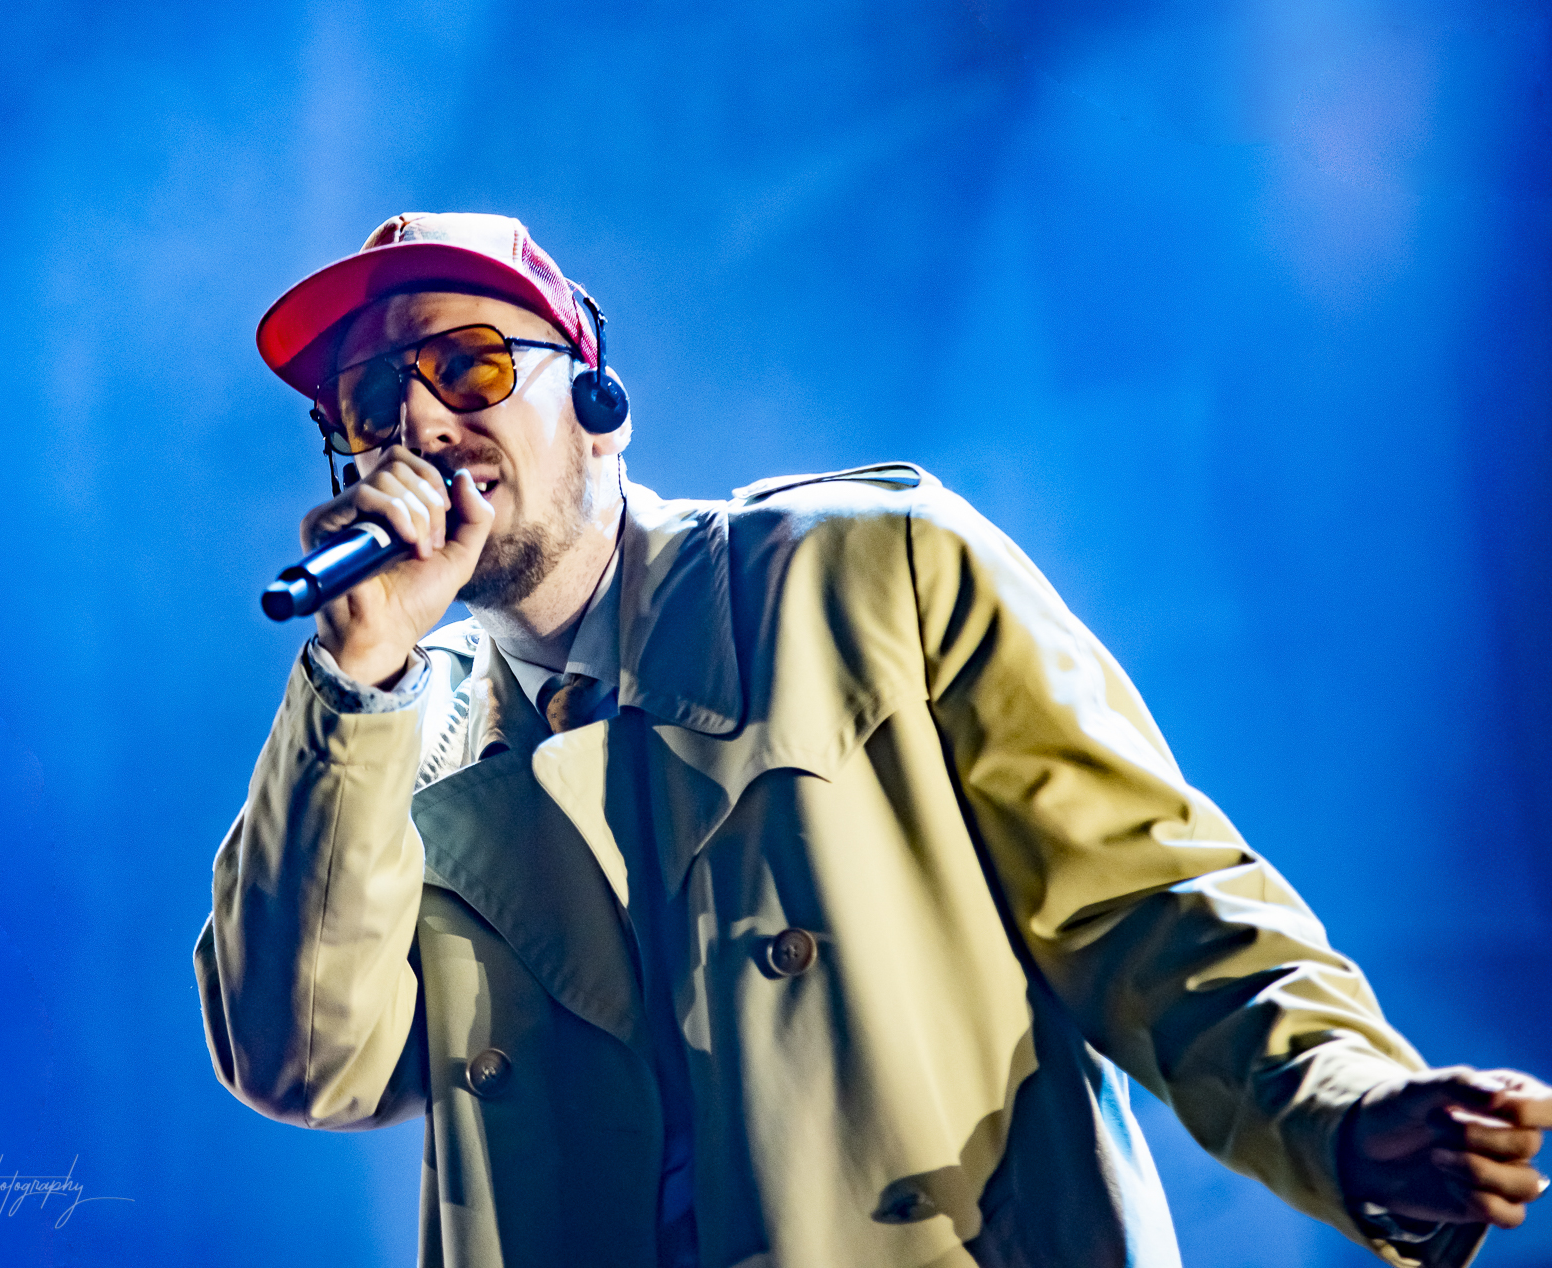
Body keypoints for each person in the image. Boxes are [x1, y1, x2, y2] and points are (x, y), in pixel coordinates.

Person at [194, 212, 1549, 1268]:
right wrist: (356, 678)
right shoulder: (390, 744)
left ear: (600, 408)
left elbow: (1143, 900)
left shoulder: (866, 574)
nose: (422, 421)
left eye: (470, 364)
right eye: (370, 401)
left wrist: (1342, 1105)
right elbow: (305, 1057)